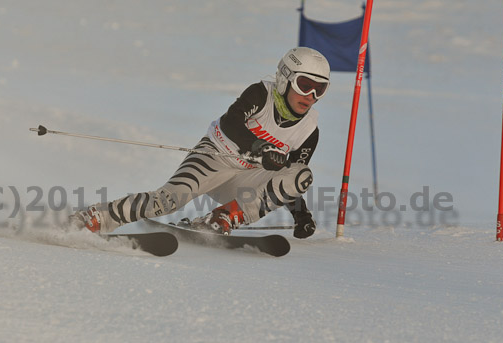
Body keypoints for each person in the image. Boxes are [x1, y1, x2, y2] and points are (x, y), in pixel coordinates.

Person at [71, 47, 330, 238]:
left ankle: (222, 219)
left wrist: (300, 214)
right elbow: (232, 122)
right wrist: (260, 148)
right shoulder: (262, 93)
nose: (311, 95)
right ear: (285, 78)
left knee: (302, 175)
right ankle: (95, 217)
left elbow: (289, 178)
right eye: (305, 84)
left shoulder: (309, 131)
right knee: (167, 201)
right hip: (214, 157)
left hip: (245, 182)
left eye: (320, 89)